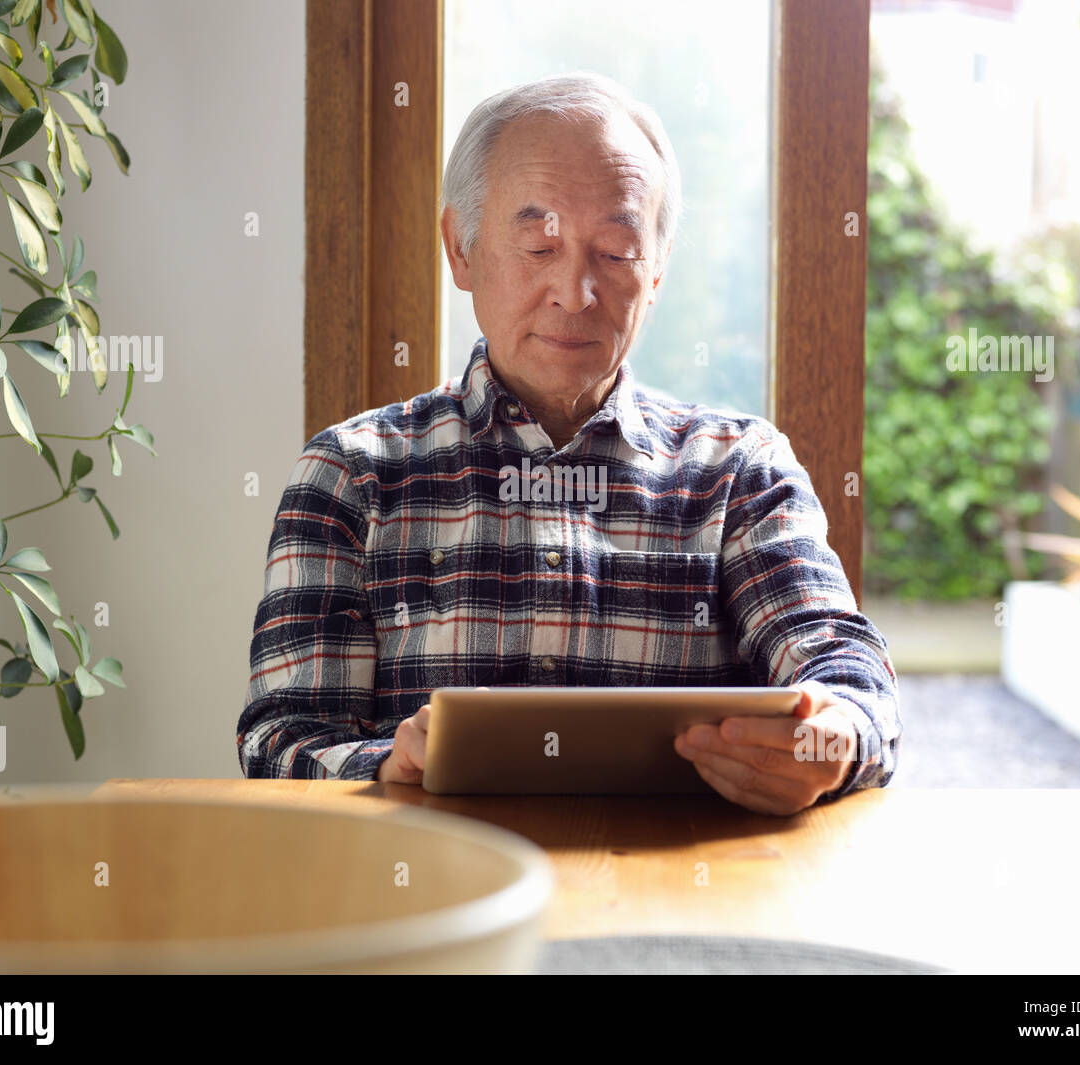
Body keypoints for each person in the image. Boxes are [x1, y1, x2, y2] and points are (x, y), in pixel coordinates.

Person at [237, 72, 900, 815]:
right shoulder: (352, 476)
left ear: (657, 272)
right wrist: (390, 760)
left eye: (615, 252)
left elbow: (846, 671)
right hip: (434, 902)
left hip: (678, 901)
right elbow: (281, 740)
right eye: (539, 245)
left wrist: (829, 741)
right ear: (461, 249)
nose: (576, 292)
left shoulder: (739, 472)